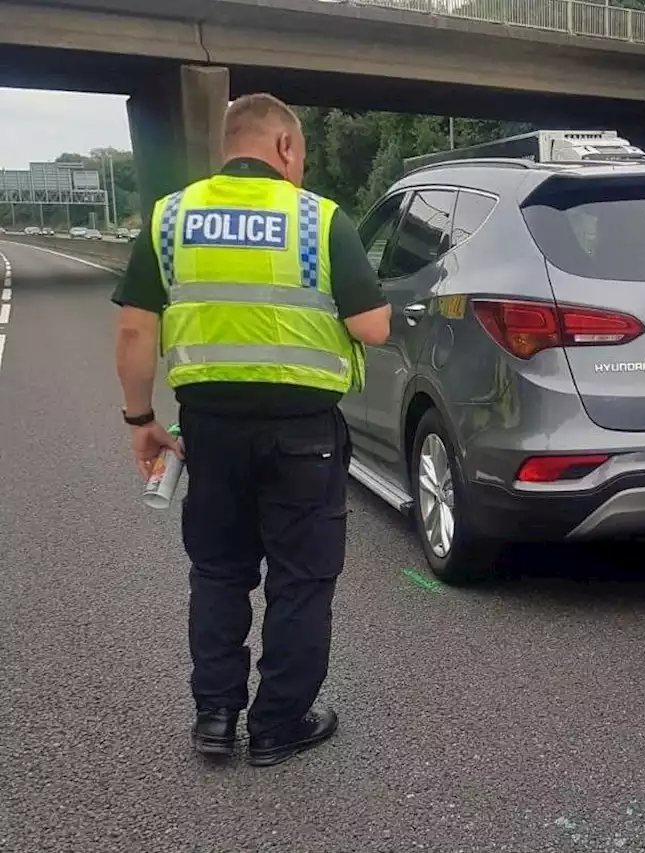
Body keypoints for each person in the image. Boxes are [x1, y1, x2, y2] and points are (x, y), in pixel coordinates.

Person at [112, 93, 390, 767]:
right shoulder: (319, 218)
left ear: (228, 147)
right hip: (304, 433)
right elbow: (372, 327)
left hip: (208, 430)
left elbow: (133, 329)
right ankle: (278, 725)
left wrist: (141, 418)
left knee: (218, 570)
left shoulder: (170, 219)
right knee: (299, 578)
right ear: (287, 148)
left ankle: (215, 716)